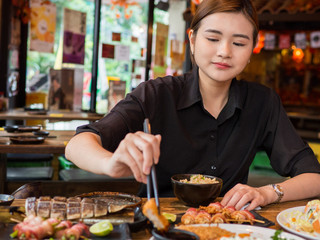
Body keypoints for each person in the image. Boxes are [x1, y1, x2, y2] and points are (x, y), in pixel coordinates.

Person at [65, 0, 320, 210]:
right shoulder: (157, 94)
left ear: (253, 48)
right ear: (193, 39)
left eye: (239, 43)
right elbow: (77, 145)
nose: (224, 51)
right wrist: (110, 164)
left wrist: (266, 193)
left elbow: (314, 177)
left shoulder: (262, 102)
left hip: (231, 226)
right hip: (158, 225)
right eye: (213, 39)